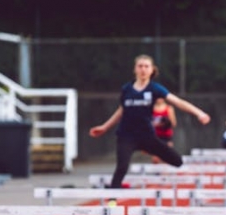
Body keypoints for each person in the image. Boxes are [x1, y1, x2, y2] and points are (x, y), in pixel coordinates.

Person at [89, 54, 210, 188]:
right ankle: (112, 202)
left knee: (177, 161)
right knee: (122, 167)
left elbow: (178, 102)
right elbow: (121, 111)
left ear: (152, 70)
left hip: (147, 135)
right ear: (135, 69)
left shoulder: (154, 88)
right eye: (140, 66)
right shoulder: (126, 89)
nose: (143, 69)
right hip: (126, 136)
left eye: (146, 66)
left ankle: (148, 150)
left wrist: (199, 113)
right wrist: (104, 127)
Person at [151, 98, 177, 163]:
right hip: (155, 137)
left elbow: (173, 123)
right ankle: (156, 172)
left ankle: (165, 172)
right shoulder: (151, 108)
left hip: (166, 136)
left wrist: (165, 123)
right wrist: (156, 124)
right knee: (155, 159)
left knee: (167, 158)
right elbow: (148, 122)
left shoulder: (169, 108)